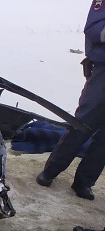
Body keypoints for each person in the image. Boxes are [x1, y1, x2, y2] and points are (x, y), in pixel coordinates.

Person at [36, 1, 105, 200]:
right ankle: (51, 171)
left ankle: (84, 182)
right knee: (81, 125)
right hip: (102, 72)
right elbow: (94, 30)